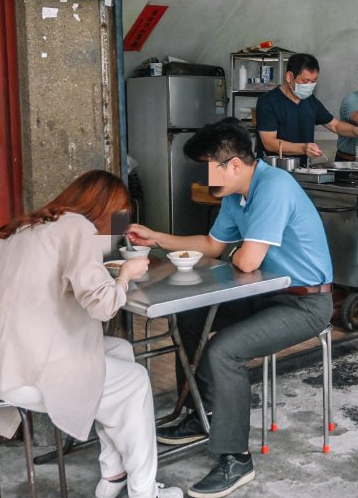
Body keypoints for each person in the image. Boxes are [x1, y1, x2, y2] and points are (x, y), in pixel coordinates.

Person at [0, 170, 181, 498]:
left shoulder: (24, 228)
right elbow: (102, 306)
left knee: (120, 351)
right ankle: (145, 492)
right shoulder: (77, 228)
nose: (119, 226)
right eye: (120, 215)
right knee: (135, 380)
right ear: (105, 208)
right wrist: (125, 274)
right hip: (23, 371)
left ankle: (113, 474)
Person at [127, 117, 333, 498]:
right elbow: (212, 245)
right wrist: (156, 237)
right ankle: (199, 415)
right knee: (188, 317)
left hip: (306, 303)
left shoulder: (274, 187)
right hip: (265, 295)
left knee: (225, 351)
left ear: (234, 165)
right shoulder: (237, 196)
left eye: (208, 167)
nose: (205, 177)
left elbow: (248, 262)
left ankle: (236, 458)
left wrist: (240, 253)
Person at [255, 52, 358, 163]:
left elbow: (335, 125)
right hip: (274, 169)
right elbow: (269, 143)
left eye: (313, 81)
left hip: (302, 169)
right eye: (305, 81)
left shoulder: (309, 101)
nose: (309, 86)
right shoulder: (268, 102)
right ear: (290, 77)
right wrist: (303, 148)